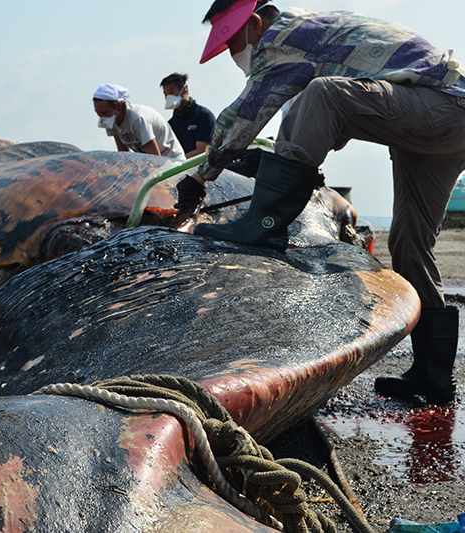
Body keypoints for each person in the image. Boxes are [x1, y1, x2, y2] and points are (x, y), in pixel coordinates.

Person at [175, 0, 465, 404]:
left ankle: (263, 226)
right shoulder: (315, 34)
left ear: (255, 25)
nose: (232, 55)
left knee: (323, 94)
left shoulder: (283, 37)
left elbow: (249, 111)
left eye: (232, 45)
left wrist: (199, 175)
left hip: (440, 106)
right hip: (446, 120)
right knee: (409, 243)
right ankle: (433, 376)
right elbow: (328, 112)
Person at [93, 83, 185, 160]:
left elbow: (154, 158)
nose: (101, 116)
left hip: (171, 160)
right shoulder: (110, 119)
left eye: (104, 112)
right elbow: (123, 153)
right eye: (98, 113)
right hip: (150, 161)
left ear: (118, 105)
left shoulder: (138, 119)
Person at [160, 73, 216, 158]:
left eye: (171, 92)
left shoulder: (204, 116)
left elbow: (202, 151)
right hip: (179, 169)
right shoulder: (170, 124)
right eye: (166, 95)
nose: (168, 98)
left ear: (184, 90)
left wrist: (177, 163)